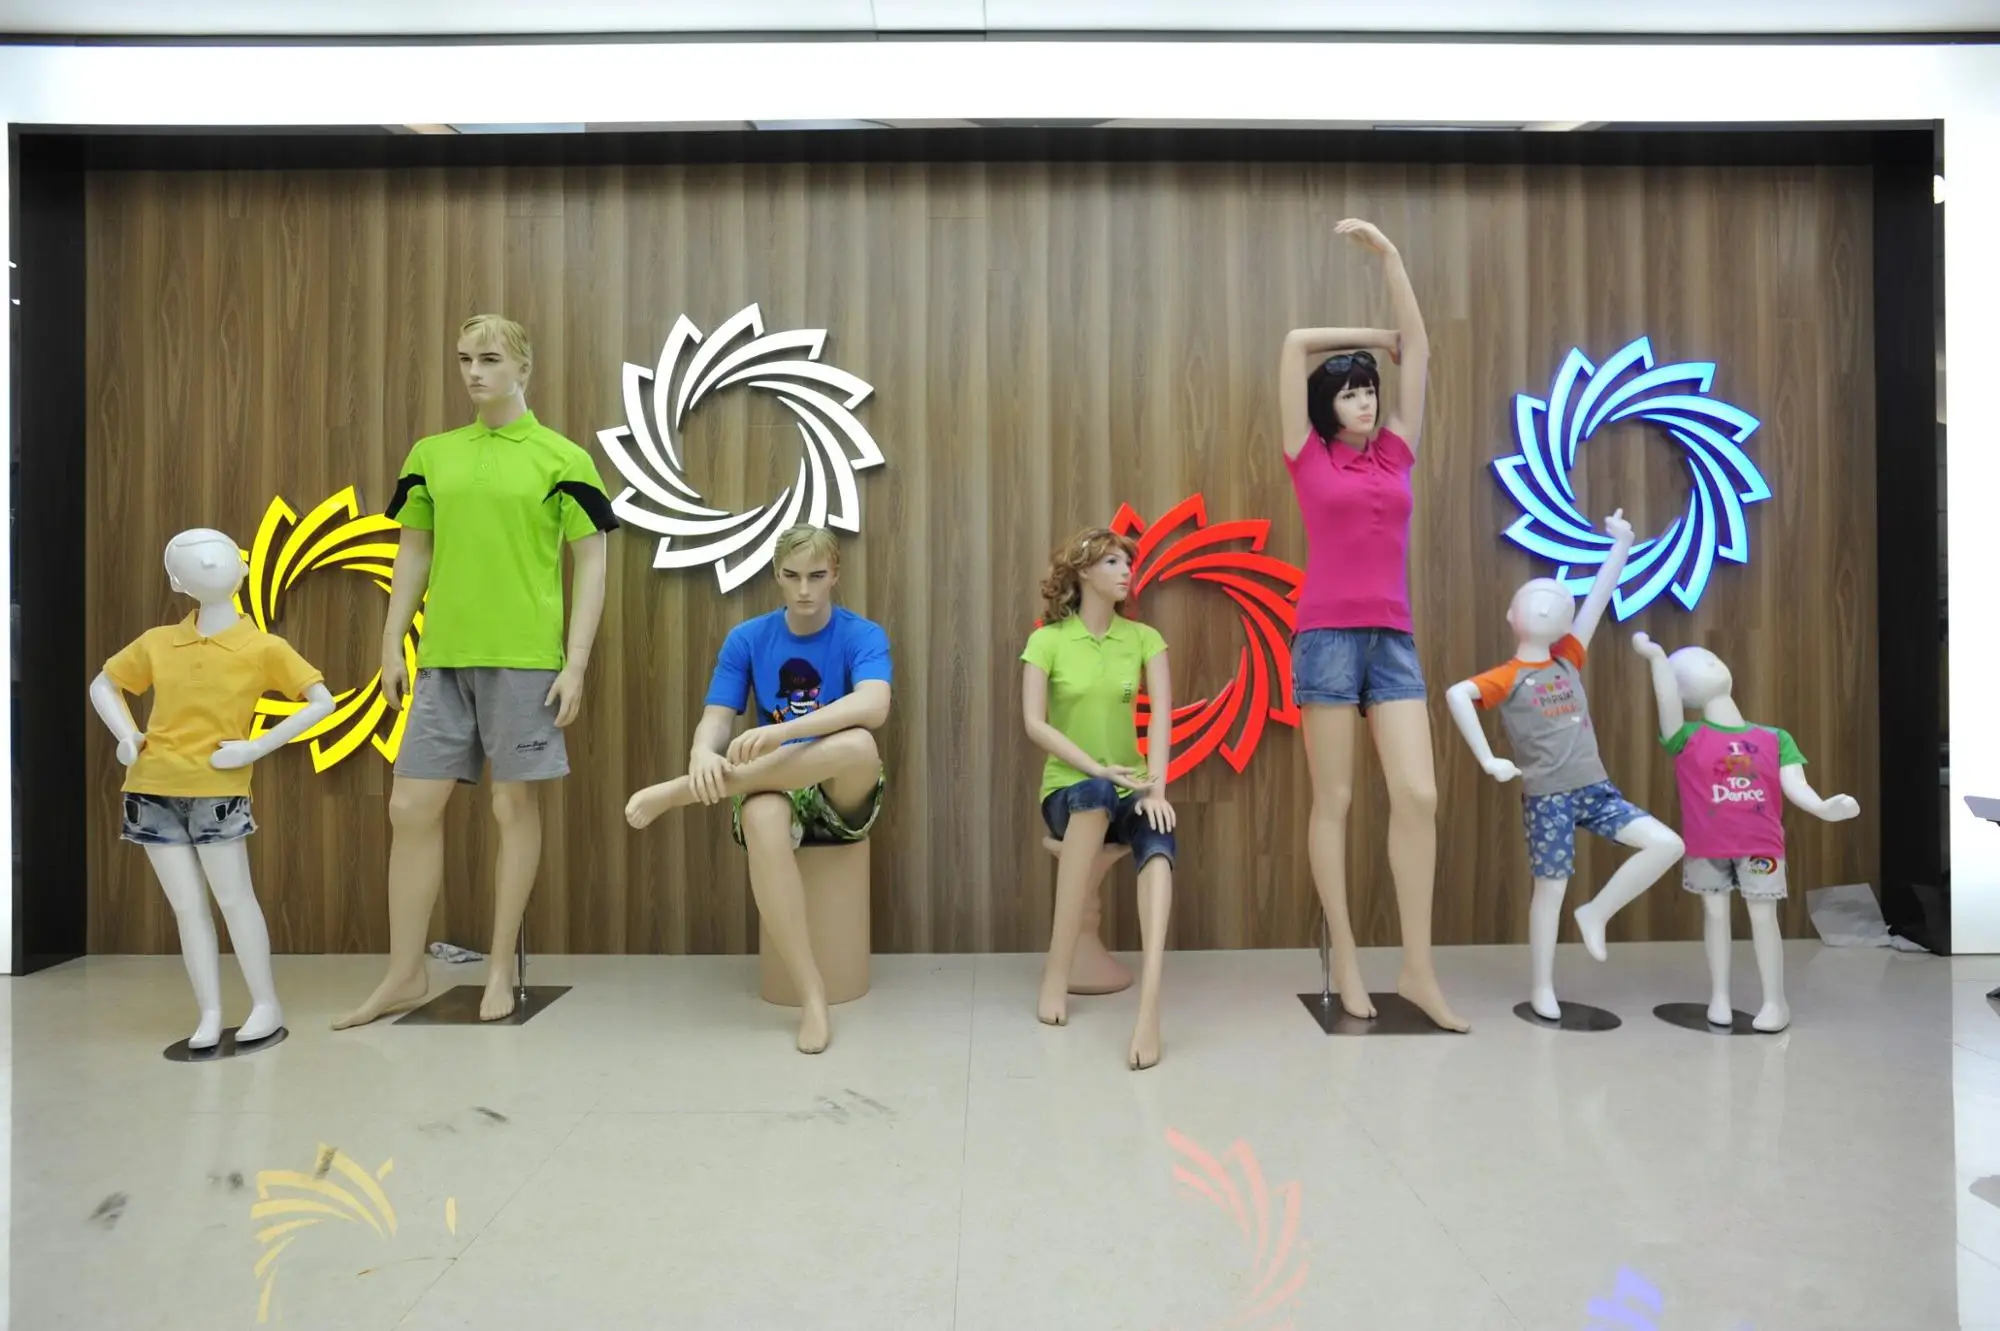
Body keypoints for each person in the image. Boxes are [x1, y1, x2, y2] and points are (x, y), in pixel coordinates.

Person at [334, 314, 617, 1028]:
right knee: (409, 808)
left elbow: (592, 561)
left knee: (511, 807)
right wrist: (391, 641)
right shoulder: (433, 454)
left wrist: (576, 662)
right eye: (464, 359)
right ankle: (405, 972)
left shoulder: (562, 458)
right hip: (443, 659)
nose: (473, 372)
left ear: (523, 366)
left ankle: (498, 968)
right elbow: (413, 550)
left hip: (525, 661)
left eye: (489, 359)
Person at [1276, 217, 1466, 1031]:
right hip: (1325, 637)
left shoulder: (1396, 451)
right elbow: (1293, 345)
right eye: (1351, 391)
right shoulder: (1308, 456)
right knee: (1337, 800)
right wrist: (1366, 338)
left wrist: (1391, 258)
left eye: (1370, 389)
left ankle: (1417, 968)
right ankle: (1347, 955)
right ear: (1327, 405)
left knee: (1418, 793)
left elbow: (1418, 348)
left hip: (1392, 639)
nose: (1366, 400)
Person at [625, 524, 891, 1055]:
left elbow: (874, 705)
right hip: (775, 782)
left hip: (838, 787)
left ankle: (686, 792)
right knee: (761, 817)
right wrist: (702, 754)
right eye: (792, 576)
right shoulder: (747, 638)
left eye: (816, 576)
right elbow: (717, 718)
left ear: (835, 575)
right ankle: (811, 995)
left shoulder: (862, 634)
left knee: (860, 743)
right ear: (776, 575)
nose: (804, 590)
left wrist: (784, 731)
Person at [1445, 511, 1685, 1020]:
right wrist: (1488, 758)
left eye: (1556, 601)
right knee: (1550, 887)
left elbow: (1598, 598)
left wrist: (1621, 544)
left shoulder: (1568, 657)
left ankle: (1596, 912)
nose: (1547, 603)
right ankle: (1542, 986)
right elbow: (1457, 693)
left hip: (1596, 789)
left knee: (1668, 844)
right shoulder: (1507, 676)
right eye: (1534, 600)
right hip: (1548, 796)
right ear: (1511, 616)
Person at [1021, 527, 1175, 1070]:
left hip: (1130, 786)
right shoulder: (1048, 641)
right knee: (1095, 793)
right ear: (1083, 572)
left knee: (1159, 833)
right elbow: (1034, 724)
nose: (1126, 570)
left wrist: (1156, 787)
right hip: (1068, 789)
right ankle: (1057, 972)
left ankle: (1150, 1007)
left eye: (1127, 562)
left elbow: (1160, 716)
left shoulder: (1145, 639)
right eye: (1112, 561)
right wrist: (1095, 769)